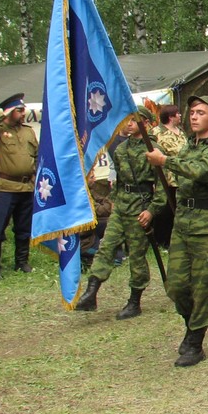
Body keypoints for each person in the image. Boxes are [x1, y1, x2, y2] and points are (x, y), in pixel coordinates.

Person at [145, 95, 208, 367]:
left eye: (201, 113)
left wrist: (166, 162)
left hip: (207, 224)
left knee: (203, 283)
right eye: (192, 112)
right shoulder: (187, 147)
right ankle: (191, 324)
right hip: (183, 221)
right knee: (176, 285)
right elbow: (177, 177)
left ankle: (195, 340)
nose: (194, 117)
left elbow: (201, 171)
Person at [75, 107, 167, 318]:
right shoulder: (120, 149)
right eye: (126, 120)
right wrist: (114, 201)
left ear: (145, 123)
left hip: (140, 208)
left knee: (136, 255)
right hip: (121, 207)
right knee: (106, 248)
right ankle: (91, 292)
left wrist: (151, 211)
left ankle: (134, 301)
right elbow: (117, 181)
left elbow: (162, 187)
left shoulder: (153, 149)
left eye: (134, 120)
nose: (128, 124)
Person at [0, 93, 38, 279]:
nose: (23, 113)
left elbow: (37, 155)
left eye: (23, 110)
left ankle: (21, 261)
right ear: (9, 112)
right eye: (19, 110)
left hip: (26, 187)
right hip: (4, 187)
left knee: (24, 227)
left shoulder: (27, 131)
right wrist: (3, 116)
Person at [150, 104, 186, 249]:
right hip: (166, 177)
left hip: (182, 176)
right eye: (178, 114)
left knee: (178, 209)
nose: (180, 116)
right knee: (165, 210)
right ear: (171, 116)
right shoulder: (156, 131)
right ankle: (162, 240)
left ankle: (176, 239)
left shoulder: (181, 132)